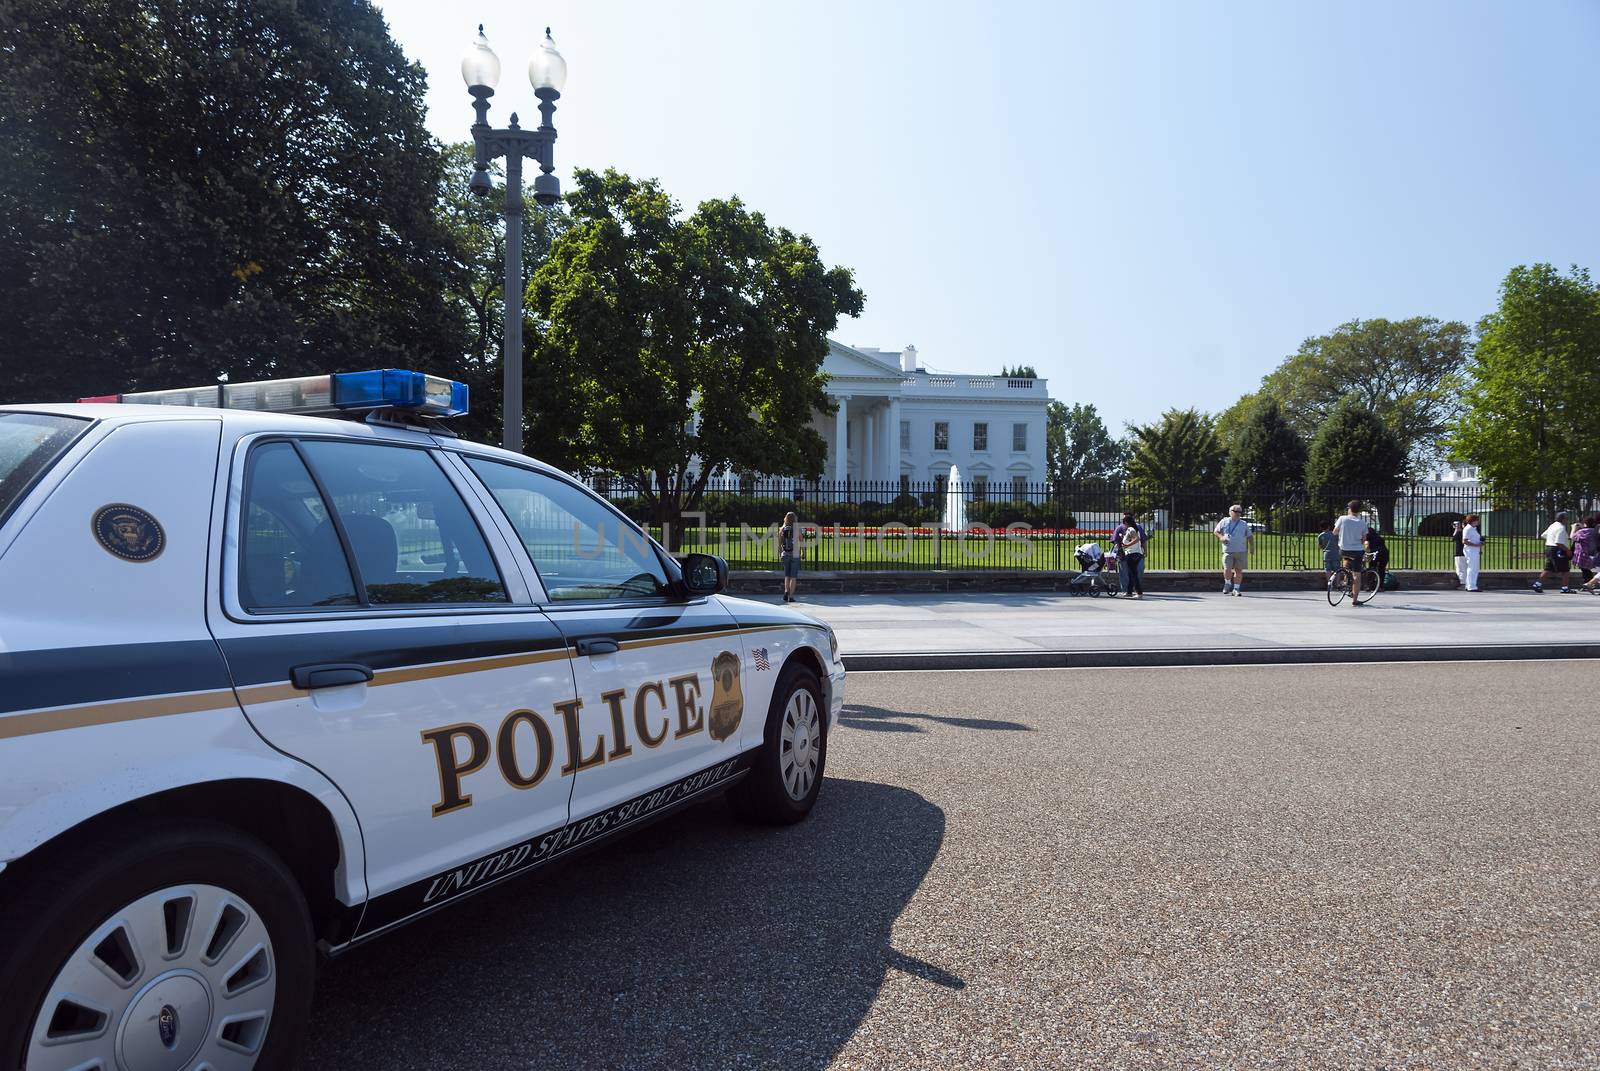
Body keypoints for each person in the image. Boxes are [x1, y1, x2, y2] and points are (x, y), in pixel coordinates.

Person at [1332, 499, 1370, 608]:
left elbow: (1335, 532)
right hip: (1357, 550)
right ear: (1358, 511)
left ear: (1349, 509)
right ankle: (1355, 600)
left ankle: (1346, 577)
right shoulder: (1363, 523)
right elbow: (1363, 540)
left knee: (1346, 559)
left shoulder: (1342, 519)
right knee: (1357, 576)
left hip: (1343, 549)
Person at [1214, 504, 1253, 596]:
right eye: (1236, 511)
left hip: (1241, 551)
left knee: (1238, 570)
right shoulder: (1224, 521)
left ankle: (1236, 589)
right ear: (1230, 512)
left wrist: (1252, 547)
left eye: (1240, 512)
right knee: (1227, 569)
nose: (1238, 513)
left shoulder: (1244, 524)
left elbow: (1250, 536)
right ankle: (1227, 583)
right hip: (1228, 551)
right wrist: (1221, 537)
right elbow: (1216, 531)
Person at [1532, 511, 1573, 593]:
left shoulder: (1552, 526)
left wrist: (1551, 539)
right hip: (1558, 550)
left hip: (1549, 548)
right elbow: (1559, 542)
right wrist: (1568, 550)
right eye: (1567, 519)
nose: (1567, 521)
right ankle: (1565, 588)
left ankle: (1537, 584)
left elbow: (1543, 535)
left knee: (1549, 568)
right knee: (1565, 570)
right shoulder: (1561, 528)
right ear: (1563, 519)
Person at [1113, 512, 1147, 598]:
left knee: (1133, 574)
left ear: (1127, 523)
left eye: (1124, 522)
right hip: (1136, 553)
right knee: (1132, 573)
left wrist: (1127, 545)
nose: (1123, 524)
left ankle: (1139, 593)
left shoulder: (1130, 529)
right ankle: (1129, 591)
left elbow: (1137, 539)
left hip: (1132, 554)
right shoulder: (1135, 528)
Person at [778, 511, 803, 602]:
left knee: (787, 575)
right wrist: (803, 553)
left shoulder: (782, 529)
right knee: (793, 576)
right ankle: (791, 596)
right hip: (795, 554)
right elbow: (801, 541)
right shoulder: (797, 529)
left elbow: (780, 543)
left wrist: (780, 553)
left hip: (785, 553)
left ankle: (786, 591)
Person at [1572, 515, 1599, 591]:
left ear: (1585, 524)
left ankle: (1589, 583)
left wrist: (1574, 528)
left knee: (1585, 569)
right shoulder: (1595, 531)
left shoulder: (1582, 532)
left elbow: (1573, 537)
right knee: (1588, 569)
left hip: (1583, 553)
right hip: (1593, 553)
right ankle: (1588, 583)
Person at [1461, 512, 1484, 591]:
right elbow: (1464, 541)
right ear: (1473, 521)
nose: (1478, 521)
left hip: (1474, 550)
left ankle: (1469, 585)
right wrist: (1476, 545)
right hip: (1471, 550)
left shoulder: (1473, 528)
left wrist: (1479, 545)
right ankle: (1472, 586)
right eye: (1477, 520)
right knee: (1472, 568)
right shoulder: (1468, 529)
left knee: (1473, 568)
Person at [1318, 518, 1342, 584]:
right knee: (1337, 570)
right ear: (1329, 526)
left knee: (1327, 569)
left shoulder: (1321, 535)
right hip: (1335, 553)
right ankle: (1338, 583)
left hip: (1326, 554)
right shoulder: (1334, 534)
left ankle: (1329, 583)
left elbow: (1320, 546)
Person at [1451, 519, 1467, 589]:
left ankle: (1463, 584)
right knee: (1466, 568)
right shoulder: (1468, 533)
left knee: (1461, 569)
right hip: (1467, 552)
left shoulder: (1460, 532)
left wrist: (1457, 529)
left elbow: (1453, 538)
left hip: (1460, 553)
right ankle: (1467, 583)